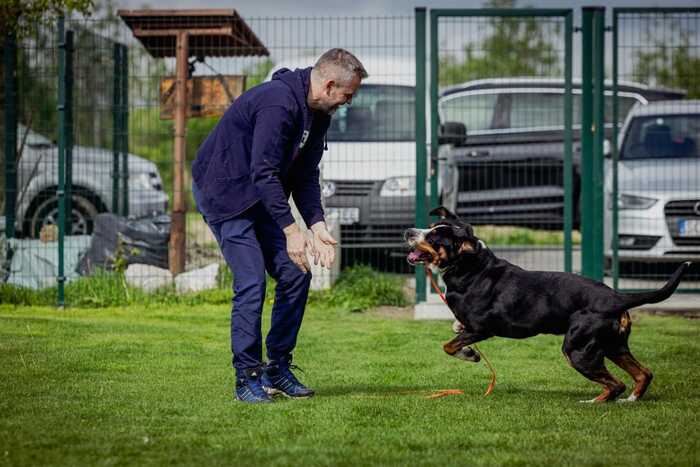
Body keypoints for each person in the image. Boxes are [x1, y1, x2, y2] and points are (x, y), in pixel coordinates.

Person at [191, 48, 367, 403]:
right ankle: (247, 378)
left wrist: (316, 225)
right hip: (225, 193)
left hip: (258, 196)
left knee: (295, 273)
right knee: (252, 281)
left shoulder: (319, 115)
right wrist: (291, 231)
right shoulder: (278, 102)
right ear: (330, 84)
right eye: (347, 95)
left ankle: (277, 367)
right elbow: (264, 171)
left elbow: (304, 176)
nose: (347, 103)